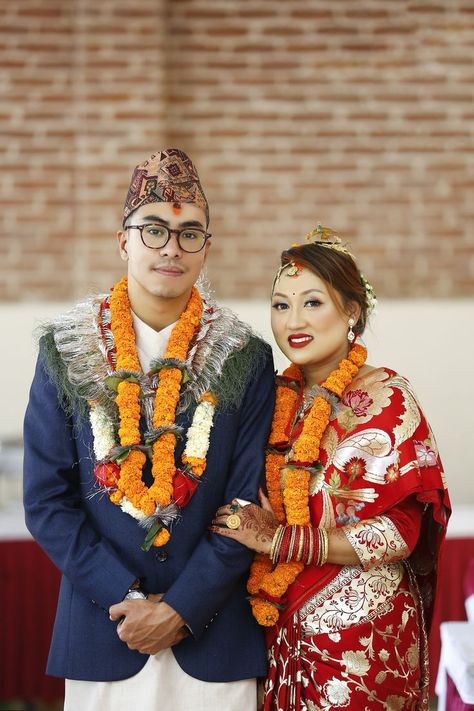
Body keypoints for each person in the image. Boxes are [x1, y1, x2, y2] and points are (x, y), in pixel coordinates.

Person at [23, 148, 275, 711]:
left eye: (190, 234)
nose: (171, 247)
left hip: (213, 637)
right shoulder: (67, 352)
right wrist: (126, 598)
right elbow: (46, 501)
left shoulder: (244, 358)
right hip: (104, 630)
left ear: (206, 248)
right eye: (154, 229)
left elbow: (247, 500)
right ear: (123, 241)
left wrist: (182, 609)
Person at [210, 225, 450, 710]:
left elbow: (400, 532)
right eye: (281, 305)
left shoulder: (388, 398)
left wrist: (283, 539)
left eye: (312, 302)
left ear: (352, 312)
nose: (293, 319)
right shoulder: (266, 402)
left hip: (362, 637)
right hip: (274, 634)